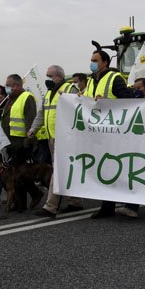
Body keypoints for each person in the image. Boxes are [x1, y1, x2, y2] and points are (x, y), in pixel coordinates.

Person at [85, 50, 140, 220]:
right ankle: (107, 206)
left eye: (95, 60)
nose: (92, 62)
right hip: (99, 133)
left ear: (105, 62)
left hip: (116, 132)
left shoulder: (114, 78)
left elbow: (127, 100)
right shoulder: (90, 81)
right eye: (91, 59)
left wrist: (109, 103)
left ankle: (132, 205)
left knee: (123, 167)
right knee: (105, 169)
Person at [31, 65, 82, 218]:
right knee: (65, 169)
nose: (48, 79)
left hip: (65, 138)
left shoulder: (69, 89)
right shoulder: (49, 93)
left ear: (59, 76)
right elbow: (42, 113)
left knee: (58, 171)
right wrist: (33, 128)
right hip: (52, 138)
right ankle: (76, 201)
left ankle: (50, 206)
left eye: (50, 76)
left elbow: (79, 107)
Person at [3, 74, 44, 210]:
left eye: (8, 85)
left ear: (17, 85)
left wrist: (27, 143)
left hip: (21, 143)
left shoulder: (27, 98)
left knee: (20, 175)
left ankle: (29, 198)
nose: (6, 88)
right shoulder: (11, 99)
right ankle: (23, 200)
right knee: (16, 174)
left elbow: (30, 121)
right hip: (11, 142)